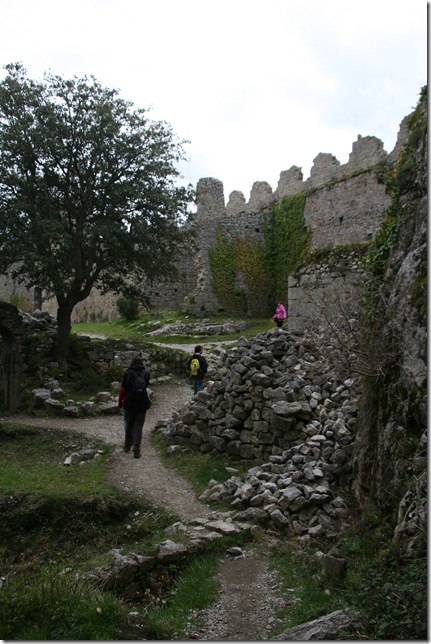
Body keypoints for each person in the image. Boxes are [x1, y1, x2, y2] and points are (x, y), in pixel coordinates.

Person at [121, 356, 151, 458]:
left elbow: (124, 386)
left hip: (130, 402)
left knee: (129, 424)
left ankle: (127, 445)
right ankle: (136, 450)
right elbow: (145, 385)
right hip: (142, 402)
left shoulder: (128, 373)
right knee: (139, 426)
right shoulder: (146, 373)